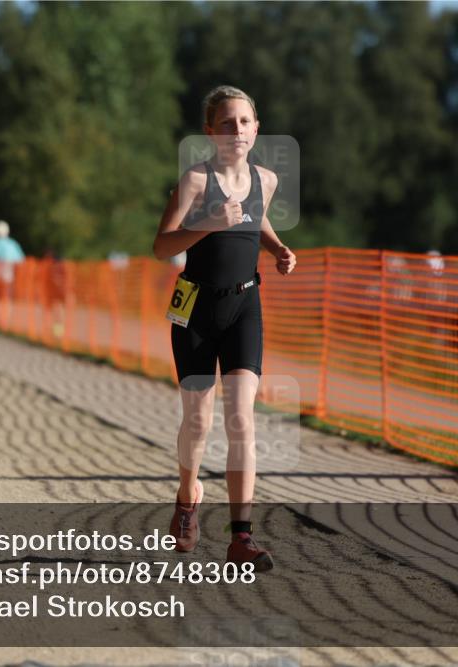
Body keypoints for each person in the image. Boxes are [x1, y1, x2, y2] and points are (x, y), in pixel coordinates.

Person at [152, 85, 296, 571]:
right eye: (227, 123)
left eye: (245, 122)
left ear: (256, 128)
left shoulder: (267, 180)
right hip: (194, 308)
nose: (237, 131)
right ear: (210, 132)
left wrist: (276, 249)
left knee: (242, 419)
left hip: (244, 305)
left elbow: (257, 221)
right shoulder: (195, 180)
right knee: (198, 422)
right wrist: (210, 221)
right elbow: (161, 245)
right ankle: (188, 497)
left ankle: (241, 537)